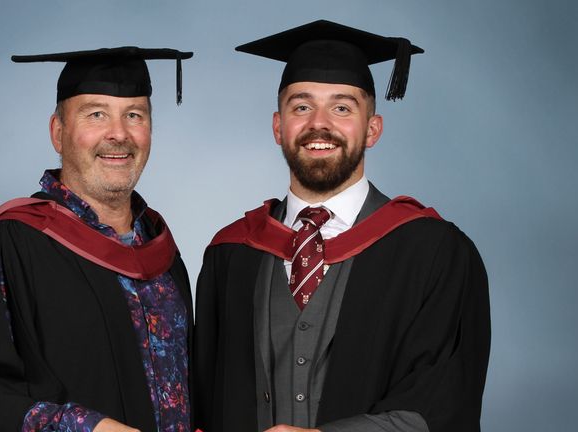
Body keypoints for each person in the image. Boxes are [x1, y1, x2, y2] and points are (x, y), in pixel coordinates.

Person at [194, 20, 490, 432]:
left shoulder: (435, 251)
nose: (319, 124)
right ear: (279, 127)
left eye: (342, 107)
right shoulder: (231, 252)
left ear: (372, 129)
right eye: (301, 106)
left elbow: (443, 402)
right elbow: (205, 401)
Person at [0, 46, 194, 432]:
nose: (119, 134)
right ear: (58, 132)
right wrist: (86, 427)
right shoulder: (9, 245)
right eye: (96, 114)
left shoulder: (162, 255)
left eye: (134, 115)